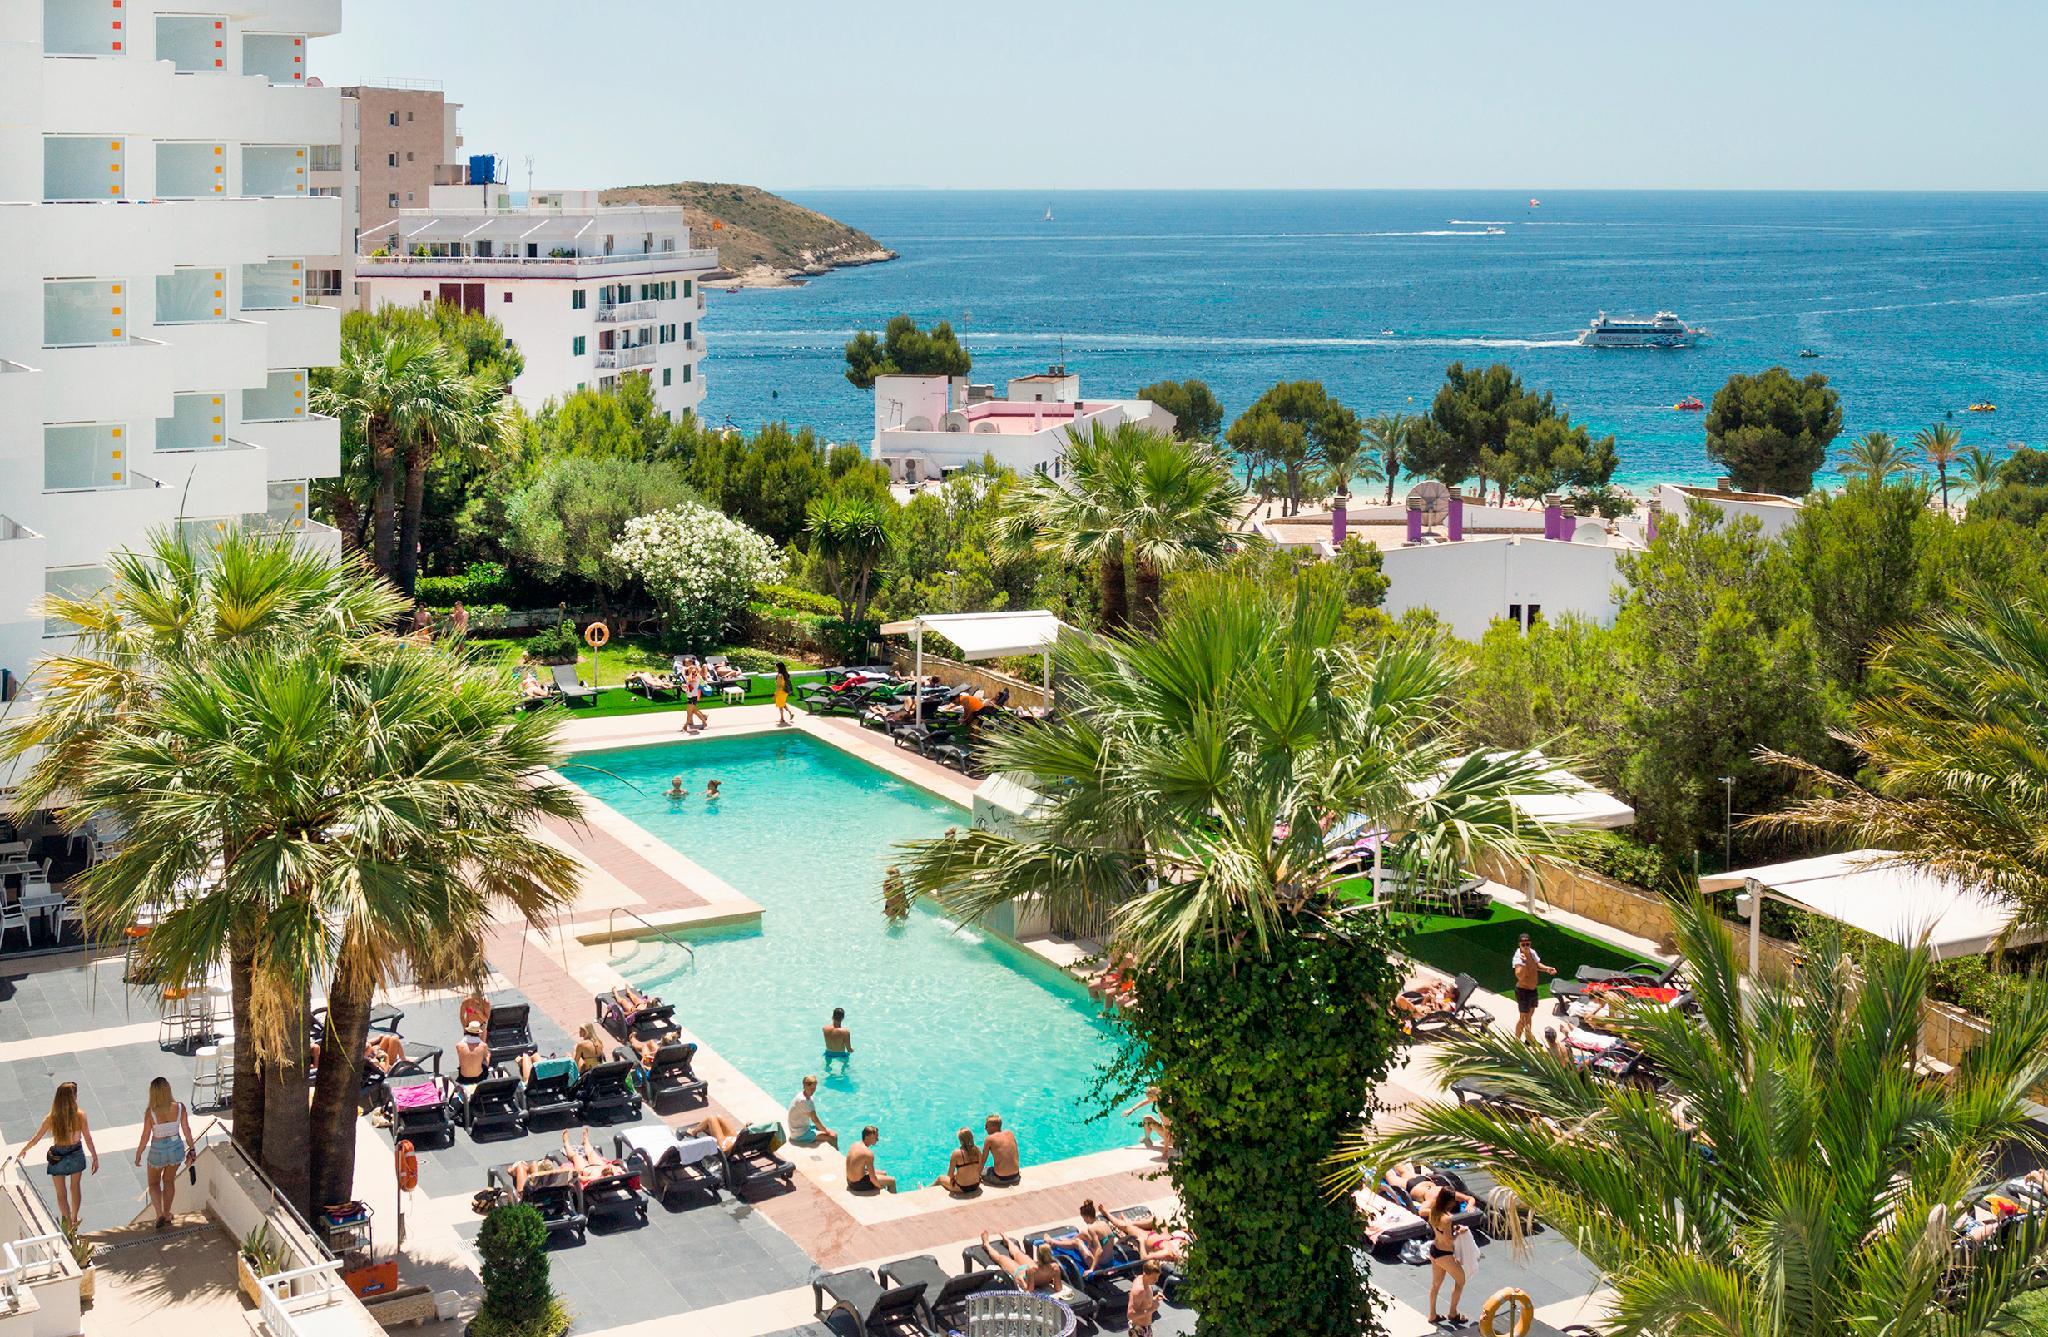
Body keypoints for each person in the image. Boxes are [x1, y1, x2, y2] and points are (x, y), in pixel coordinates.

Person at [19, 1082, 96, 1229]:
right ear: (73, 1097)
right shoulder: (80, 1115)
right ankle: (74, 1219)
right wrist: (94, 1157)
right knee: (75, 1187)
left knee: (61, 1194)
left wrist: (25, 1149)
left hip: (58, 1156)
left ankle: (67, 1223)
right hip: (76, 1153)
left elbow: (36, 1138)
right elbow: (88, 1139)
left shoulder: (51, 1118)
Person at [135, 1076, 193, 1230]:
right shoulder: (180, 1107)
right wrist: (192, 1148)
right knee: (169, 1181)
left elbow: (145, 1136)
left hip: (158, 1150)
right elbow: (186, 1130)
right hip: (176, 1149)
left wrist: (139, 1153)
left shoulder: (151, 1113)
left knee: (153, 1183)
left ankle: (159, 1213)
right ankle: (167, 1213)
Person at [1425, 1192, 1469, 1326]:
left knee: (1435, 1285)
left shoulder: (1433, 1211)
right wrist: (1459, 1232)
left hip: (1434, 1250)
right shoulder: (1447, 1218)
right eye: (1453, 1201)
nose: (1455, 1203)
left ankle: (1432, 1315)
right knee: (1460, 1281)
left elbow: (1442, 1231)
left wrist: (1451, 1229)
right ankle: (1453, 1313)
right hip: (1444, 1254)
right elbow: (1449, 1240)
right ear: (1448, 1202)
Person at [1512, 932, 1557, 1043]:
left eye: (1527, 944)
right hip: (1523, 991)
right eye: (1523, 944)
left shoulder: (1532, 952)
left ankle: (1529, 1039)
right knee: (1523, 1018)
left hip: (1533, 990)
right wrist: (1524, 962)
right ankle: (1516, 1042)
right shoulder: (1518, 958)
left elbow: (1536, 964)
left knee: (1529, 1016)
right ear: (1519, 945)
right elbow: (1519, 976)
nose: (1526, 946)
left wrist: (1546, 968)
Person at [982, 1232, 1061, 1292]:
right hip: (1031, 1270)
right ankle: (1007, 1241)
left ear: (1038, 1256)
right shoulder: (1055, 1267)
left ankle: (987, 1245)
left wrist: (1021, 1281)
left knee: (1002, 1258)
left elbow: (1029, 1289)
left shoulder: (1033, 1269)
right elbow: (1058, 1288)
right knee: (1018, 1254)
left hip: (1022, 1273)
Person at [786, 1075, 838, 1149]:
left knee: (831, 1133)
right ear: (805, 1086)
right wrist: (826, 1131)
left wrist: (824, 1130)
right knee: (833, 1137)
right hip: (800, 1135)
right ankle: (836, 1151)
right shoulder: (805, 1101)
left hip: (799, 1129)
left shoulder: (802, 1094)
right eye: (811, 1088)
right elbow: (815, 1120)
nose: (813, 1091)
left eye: (814, 1088)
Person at [1114, 1216, 1191, 1264]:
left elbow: (1144, 1259)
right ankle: (1132, 1222)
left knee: (1127, 1227)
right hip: (1166, 1235)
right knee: (1158, 1220)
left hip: (1150, 1239)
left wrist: (1141, 1242)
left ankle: (1109, 1216)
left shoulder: (1167, 1252)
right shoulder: (1186, 1245)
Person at [845, 1125, 896, 1194]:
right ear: (867, 1137)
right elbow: (873, 1179)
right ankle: (893, 1199)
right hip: (858, 1185)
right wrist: (880, 1187)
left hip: (849, 1181)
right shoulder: (868, 1153)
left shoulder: (854, 1144)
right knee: (892, 1180)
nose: (877, 1139)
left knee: (884, 1173)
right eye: (875, 1137)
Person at [934, 1127, 983, 1195]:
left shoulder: (956, 1153)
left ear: (961, 1141)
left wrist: (954, 1178)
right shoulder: (977, 1150)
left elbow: (949, 1175)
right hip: (976, 1185)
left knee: (940, 1178)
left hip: (962, 1188)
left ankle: (925, 1189)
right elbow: (980, 1168)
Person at [1126, 1087, 1172, 1153]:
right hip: (1174, 1135)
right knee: (1147, 1118)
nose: (1148, 1099)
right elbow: (1144, 1102)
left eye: (1148, 1097)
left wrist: (1165, 1151)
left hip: (1171, 1138)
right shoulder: (1162, 1099)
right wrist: (1132, 1109)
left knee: (1147, 1120)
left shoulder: (1163, 1108)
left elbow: (1167, 1129)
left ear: (1153, 1097)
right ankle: (1147, 1139)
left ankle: (1169, 1142)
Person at [1127, 1261, 1164, 1337]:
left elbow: (1143, 1302)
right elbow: (1130, 1315)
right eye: (1154, 1278)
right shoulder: (1139, 1290)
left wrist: (1154, 1299)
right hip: (1138, 1330)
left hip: (1146, 1327)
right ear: (1145, 1274)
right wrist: (1151, 1310)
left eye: (1157, 1277)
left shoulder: (1146, 1281)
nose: (1156, 1280)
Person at [983, 1113, 1021, 1186]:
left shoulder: (989, 1139)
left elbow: (983, 1161)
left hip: (1000, 1179)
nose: (985, 1128)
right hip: (1016, 1176)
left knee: (984, 1170)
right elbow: (1017, 1155)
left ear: (993, 1127)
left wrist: (976, 1176)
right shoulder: (1010, 1133)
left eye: (987, 1126)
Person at [682, 665, 709, 733]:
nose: (691, 669)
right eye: (690, 668)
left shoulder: (695, 676)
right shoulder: (691, 676)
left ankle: (685, 726)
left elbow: (692, 681)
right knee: (694, 711)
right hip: (691, 696)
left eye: (692, 668)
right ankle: (704, 720)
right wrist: (684, 687)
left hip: (693, 696)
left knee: (690, 712)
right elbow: (688, 686)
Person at [774, 661, 795, 726]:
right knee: (783, 704)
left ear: (779, 667)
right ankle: (790, 713)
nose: (775, 668)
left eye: (776, 667)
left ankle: (782, 718)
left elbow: (778, 686)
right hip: (785, 692)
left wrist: (776, 694)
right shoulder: (785, 674)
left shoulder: (779, 675)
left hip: (781, 692)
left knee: (780, 705)